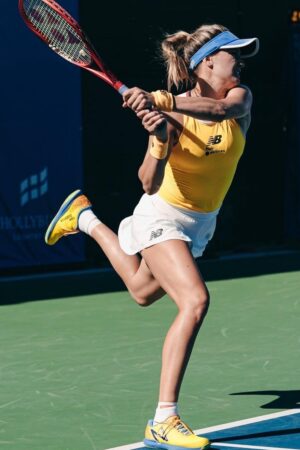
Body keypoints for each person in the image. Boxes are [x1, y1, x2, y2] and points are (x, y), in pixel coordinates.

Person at [45, 24, 259, 450]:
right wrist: (159, 139)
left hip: (202, 222)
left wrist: (162, 100)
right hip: (163, 215)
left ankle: (84, 217)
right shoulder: (173, 116)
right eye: (234, 53)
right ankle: (164, 418)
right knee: (195, 301)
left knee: (143, 291)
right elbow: (147, 182)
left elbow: (219, 113)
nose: (242, 60)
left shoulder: (240, 98)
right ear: (208, 62)